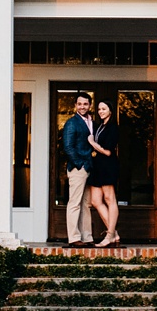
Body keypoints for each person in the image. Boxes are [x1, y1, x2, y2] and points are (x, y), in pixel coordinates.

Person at [60, 93, 96, 247]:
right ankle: (74, 238)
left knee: (86, 203)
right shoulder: (71, 123)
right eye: (80, 104)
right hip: (78, 168)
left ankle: (87, 237)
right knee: (74, 202)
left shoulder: (92, 122)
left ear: (90, 105)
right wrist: (80, 163)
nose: (82, 107)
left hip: (91, 168)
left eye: (85, 104)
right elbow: (68, 147)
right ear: (75, 105)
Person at [87, 100, 121, 248]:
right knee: (95, 201)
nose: (101, 111)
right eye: (99, 109)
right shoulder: (100, 126)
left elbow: (107, 151)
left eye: (104, 109)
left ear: (110, 111)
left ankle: (109, 235)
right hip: (97, 165)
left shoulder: (113, 128)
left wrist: (93, 143)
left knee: (109, 198)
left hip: (107, 165)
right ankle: (114, 233)